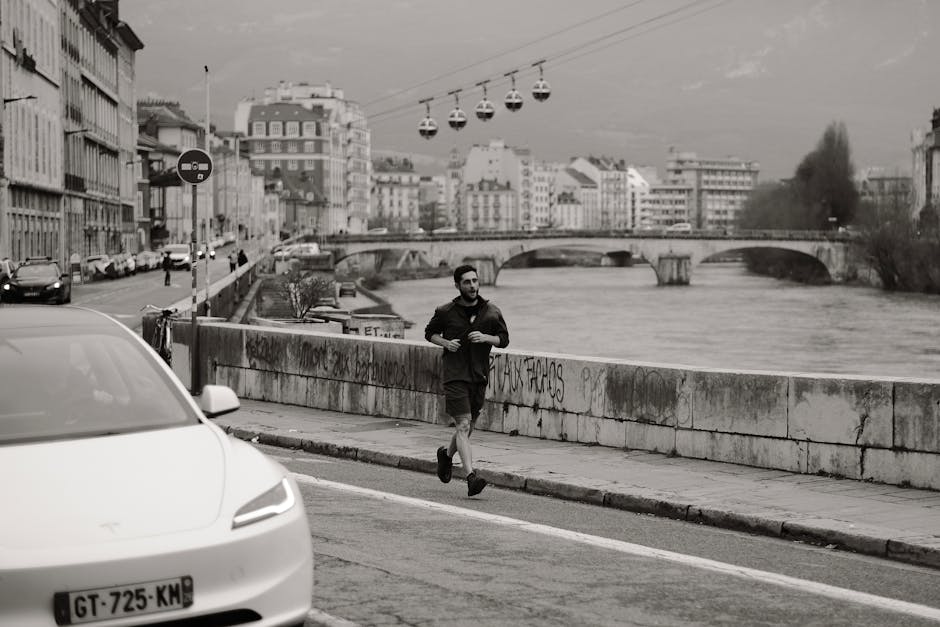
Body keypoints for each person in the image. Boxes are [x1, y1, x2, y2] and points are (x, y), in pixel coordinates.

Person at [424, 264, 509, 497]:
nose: (472, 286)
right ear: (458, 285)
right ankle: (471, 476)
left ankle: (446, 456)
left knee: (468, 426)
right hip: (455, 375)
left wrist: (485, 338)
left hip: (479, 376)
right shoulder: (445, 311)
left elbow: (504, 339)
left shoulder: (491, 311)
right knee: (462, 424)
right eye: (467, 282)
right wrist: (446, 343)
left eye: (475, 281)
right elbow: (429, 332)